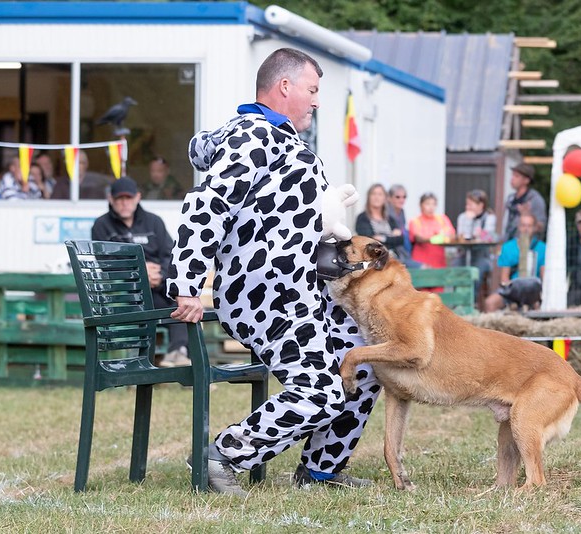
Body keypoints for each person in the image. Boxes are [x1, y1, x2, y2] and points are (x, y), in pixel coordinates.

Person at [167, 48, 381, 495]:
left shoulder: (283, 139)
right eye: (312, 89)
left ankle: (320, 471)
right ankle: (221, 455)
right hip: (266, 294)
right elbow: (205, 208)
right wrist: (187, 284)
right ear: (285, 87)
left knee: (364, 364)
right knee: (322, 389)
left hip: (304, 290)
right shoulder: (253, 138)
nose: (317, 100)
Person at [90, 176, 190, 367]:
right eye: (119, 199)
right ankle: (180, 359)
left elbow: (169, 256)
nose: (124, 203)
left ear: (138, 197)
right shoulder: (101, 225)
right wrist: (139, 272)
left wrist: (159, 274)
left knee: (183, 305)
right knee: (176, 308)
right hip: (126, 294)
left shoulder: (154, 222)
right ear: (111, 199)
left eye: (128, 198)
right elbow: (105, 263)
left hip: (157, 287)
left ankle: (179, 354)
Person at [483, 212, 545, 312]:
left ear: (534, 228)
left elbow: (544, 276)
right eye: (523, 225)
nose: (526, 229)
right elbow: (504, 278)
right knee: (490, 303)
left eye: (529, 226)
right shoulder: (508, 247)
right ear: (519, 227)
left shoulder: (542, 248)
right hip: (513, 289)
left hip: (533, 291)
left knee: (538, 306)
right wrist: (513, 294)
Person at [454, 189, 497, 297]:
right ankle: (458, 299)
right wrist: (469, 221)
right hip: (464, 254)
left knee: (476, 273)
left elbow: (489, 237)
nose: (467, 207)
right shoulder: (463, 217)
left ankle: (471, 300)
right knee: (455, 268)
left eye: (471, 204)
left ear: (480, 205)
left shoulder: (489, 218)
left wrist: (480, 234)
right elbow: (463, 236)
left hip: (482, 255)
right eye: (467, 204)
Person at [354, 183, 409, 262]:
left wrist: (384, 238)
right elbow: (371, 241)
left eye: (380, 194)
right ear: (368, 197)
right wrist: (391, 237)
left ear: (385, 198)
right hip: (373, 259)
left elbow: (401, 239)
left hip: (395, 257)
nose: (377, 197)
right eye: (374, 194)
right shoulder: (362, 218)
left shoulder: (390, 219)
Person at [408, 192, 456, 268]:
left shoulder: (442, 219)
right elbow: (418, 238)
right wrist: (435, 238)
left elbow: (452, 234)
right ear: (421, 205)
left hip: (439, 262)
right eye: (427, 204)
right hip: (421, 263)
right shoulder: (415, 221)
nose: (431, 207)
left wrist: (443, 236)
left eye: (434, 204)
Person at [502, 163, 547, 241]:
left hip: (527, 245)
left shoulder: (535, 200)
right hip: (509, 244)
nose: (512, 179)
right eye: (512, 175)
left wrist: (527, 215)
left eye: (516, 176)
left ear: (526, 180)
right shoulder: (510, 198)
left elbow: (541, 227)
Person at [387, 184, 419, 267]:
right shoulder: (385, 213)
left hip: (404, 250)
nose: (401, 200)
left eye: (404, 197)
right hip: (393, 253)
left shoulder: (401, 212)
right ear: (389, 198)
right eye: (397, 197)